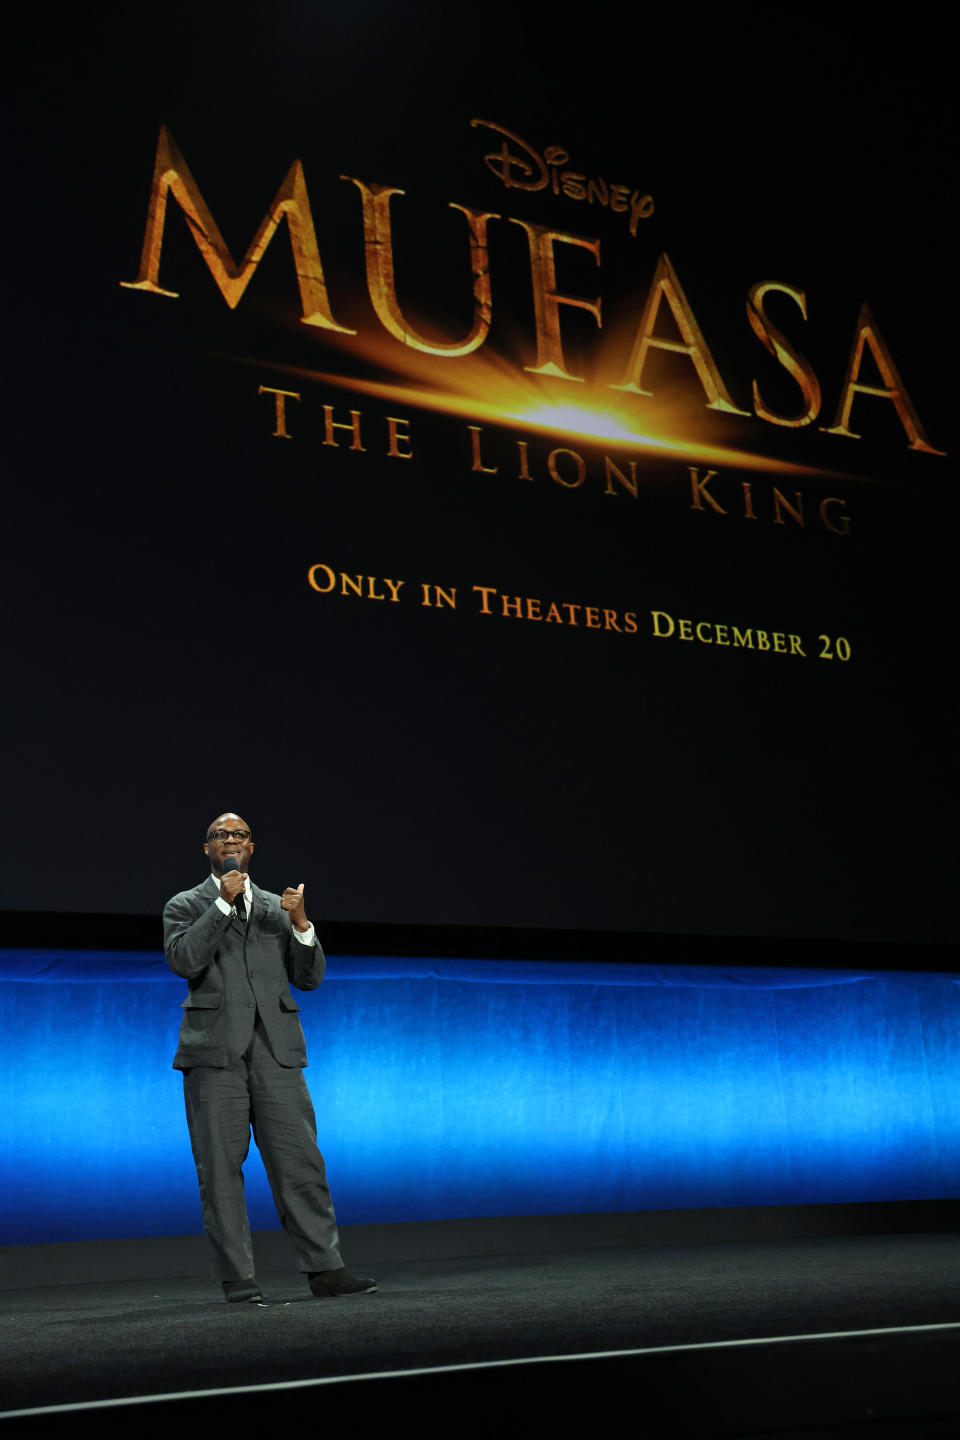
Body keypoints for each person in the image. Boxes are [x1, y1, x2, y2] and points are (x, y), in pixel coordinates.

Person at [162, 811, 375, 1302]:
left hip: (276, 1051)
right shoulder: (185, 904)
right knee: (220, 1169)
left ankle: (326, 1269)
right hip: (214, 1053)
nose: (229, 841)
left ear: (252, 847)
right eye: (220, 836)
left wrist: (301, 925)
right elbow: (184, 960)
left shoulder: (279, 910)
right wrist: (221, 905)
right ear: (207, 849)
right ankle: (239, 1278)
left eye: (238, 835)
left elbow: (309, 978)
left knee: (300, 1163)